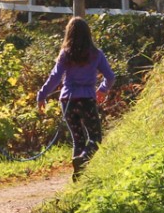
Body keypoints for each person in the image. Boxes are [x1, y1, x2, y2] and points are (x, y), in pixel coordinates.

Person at [36, 16, 115, 180]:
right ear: (88, 34)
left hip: (67, 101)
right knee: (95, 138)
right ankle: (83, 159)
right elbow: (110, 76)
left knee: (77, 140)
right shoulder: (96, 54)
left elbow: (55, 77)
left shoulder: (65, 54)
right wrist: (103, 90)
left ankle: (78, 176)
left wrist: (42, 95)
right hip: (87, 100)